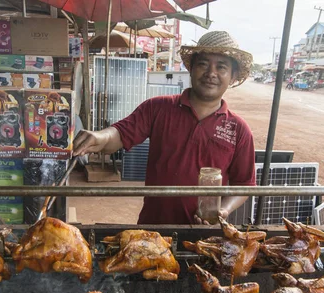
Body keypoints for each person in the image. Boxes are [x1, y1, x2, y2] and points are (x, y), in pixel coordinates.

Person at [74, 31, 256, 225]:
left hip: (205, 235)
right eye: (203, 64)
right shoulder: (157, 108)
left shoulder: (239, 130)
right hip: (153, 229)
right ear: (191, 68)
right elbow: (120, 134)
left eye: (221, 67)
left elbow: (245, 185)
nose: (211, 73)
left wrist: (223, 210)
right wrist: (99, 137)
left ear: (233, 76)